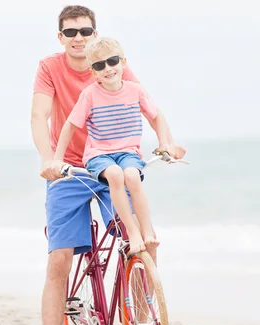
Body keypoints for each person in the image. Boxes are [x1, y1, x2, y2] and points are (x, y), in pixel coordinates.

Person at [30, 5, 185, 325]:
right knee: (59, 261)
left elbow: (148, 109)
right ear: (61, 37)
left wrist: (167, 142)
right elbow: (40, 117)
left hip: (112, 163)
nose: (79, 38)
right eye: (71, 33)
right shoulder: (50, 67)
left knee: (141, 244)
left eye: (85, 31)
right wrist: (49, 161)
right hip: (68, 169)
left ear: (95, 33)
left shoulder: (110, 62)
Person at [54, 36, 182, 253]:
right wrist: (57, 159)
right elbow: (69, 126)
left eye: (112, 61)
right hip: (99, 155)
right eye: (99, 65)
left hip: (128, 153)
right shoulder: (90, 94)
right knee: (114, 175)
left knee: (132, 176)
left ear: (123, 62)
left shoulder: (135, 90)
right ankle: (132, 233)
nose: (108, 68)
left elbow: (156, 117)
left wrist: (165, 144)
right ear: (93, 72)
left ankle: (146, 231)